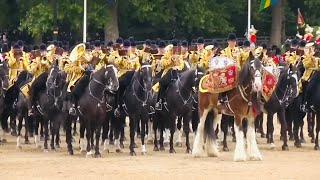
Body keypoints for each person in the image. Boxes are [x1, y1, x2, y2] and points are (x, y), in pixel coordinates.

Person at [155, 39, 184, 110]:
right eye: (174, 47)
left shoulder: (179, 54)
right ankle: (159, 101)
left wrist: (177, 67)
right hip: (168, 72)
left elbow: (182, 64)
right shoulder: (167, 53)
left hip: (177, 72)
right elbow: (162, 64)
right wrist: (170, 59)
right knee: (162, 83)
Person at [114, 40, 141, 117]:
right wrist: (123, 57)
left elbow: (138, 66)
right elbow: (117, 63)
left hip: (133, 74)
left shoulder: (134, 56)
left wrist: (136, 71)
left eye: (128, 47)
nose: (126, 49)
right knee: (119, 86)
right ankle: (118, 105)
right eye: (125, 47)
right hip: (122, 74)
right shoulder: (120, 55)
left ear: (130, 48)